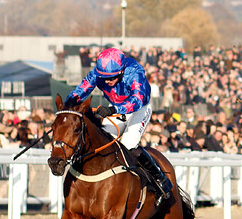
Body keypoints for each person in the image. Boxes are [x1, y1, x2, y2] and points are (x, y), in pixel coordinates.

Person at [64, 47, 173, 204]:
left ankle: (161, 182)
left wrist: (113, 109)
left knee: (129, 144)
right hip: (116, 106)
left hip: (139, 108)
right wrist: (68, 104)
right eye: (104, 77)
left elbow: (137, 100)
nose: (107, 81)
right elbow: (82, 90)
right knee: (104, 143)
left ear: (121, 71)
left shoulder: (135, 72)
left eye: (111, 77)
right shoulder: (97, 72)